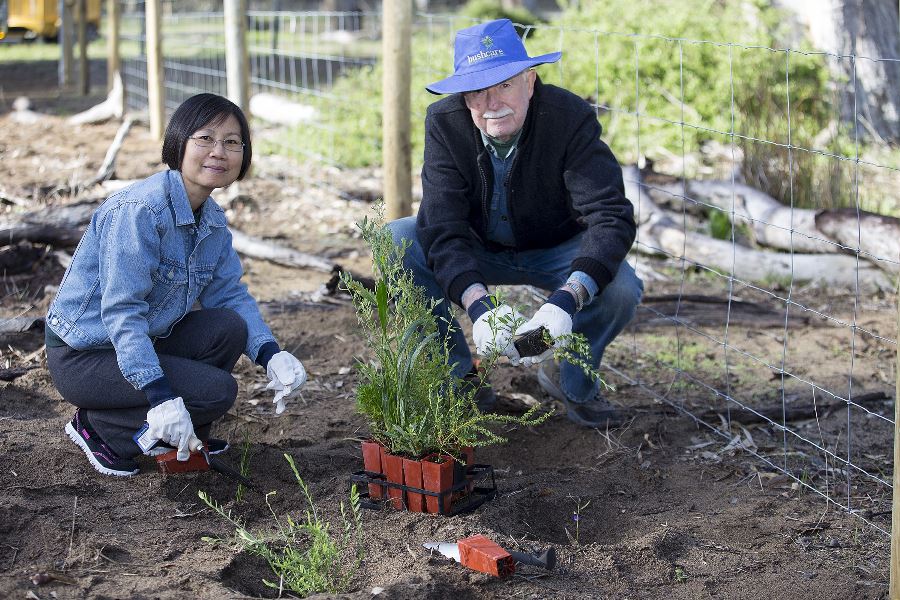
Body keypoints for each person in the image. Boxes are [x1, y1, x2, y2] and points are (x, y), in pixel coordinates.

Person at [388, 19, 643, 427]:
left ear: (530, 80)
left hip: (557, 248)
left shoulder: (569, 117)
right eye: (477, 90)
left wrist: (565, 302)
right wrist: (480, 308)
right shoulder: (445, 122)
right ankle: (459, 385)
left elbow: (610, 216)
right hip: (479, 245)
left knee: (622, 289)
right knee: (397, 238)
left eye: (504, 84)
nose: (492, 103)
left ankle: (569, 379)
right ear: (463, 95)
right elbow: (442, 225)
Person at [46, 93, 306, 477]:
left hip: (141, 341)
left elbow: (230, 295)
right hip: (87, 354)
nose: (219, 152)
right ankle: (102, 429)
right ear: (179, 143)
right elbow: (122, 312)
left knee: (227, 328)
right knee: (216, 391)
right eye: (205, 138)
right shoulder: (140, 212)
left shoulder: (212, 219)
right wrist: (160, 395)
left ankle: (183, 436)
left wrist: (270, 353)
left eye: (232, 142)